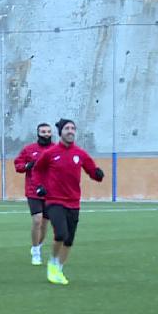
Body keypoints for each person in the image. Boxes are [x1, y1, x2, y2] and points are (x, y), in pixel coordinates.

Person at [33, 119, 105, 285]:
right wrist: (39, 187)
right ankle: (52, 262)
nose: (70, 131)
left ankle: (59, 268)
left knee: (69, 240)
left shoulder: (80, 153)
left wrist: (97, 174)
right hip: (54, 200)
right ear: (61, 132)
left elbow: (91, 170)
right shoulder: (50, 153)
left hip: (74, 202)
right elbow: (37, 170)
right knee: (60, 233)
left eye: (73, 128)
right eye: (67, 128)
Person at [14, 123, 54, 265]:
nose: (46, 134)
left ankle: (38, 245)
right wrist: (26, 166)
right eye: (43, 132)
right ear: (38, 133)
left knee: (44, 223)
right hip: (34, 191)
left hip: (51, 192)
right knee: (37, 219)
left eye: (48, 132)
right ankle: (36, 252)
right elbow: (18, 165)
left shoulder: (56, 149)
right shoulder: (29, 150)